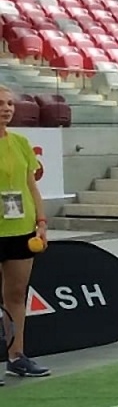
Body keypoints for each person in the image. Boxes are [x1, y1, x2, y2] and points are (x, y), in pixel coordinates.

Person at [0, 87, 49, 379]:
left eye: (9, 104)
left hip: (21, 230)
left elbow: (31, 186)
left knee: (16, 295)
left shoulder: (20, 142)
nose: (6, 109)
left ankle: (17, 356)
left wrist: (41, 222)